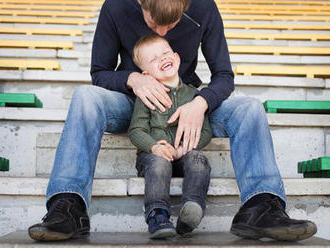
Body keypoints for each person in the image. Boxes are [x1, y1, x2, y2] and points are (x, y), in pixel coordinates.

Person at [28, 0, 317, 242]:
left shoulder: (204, 7)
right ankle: (68, 206)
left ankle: (261, 206)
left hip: (188, 101)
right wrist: (133, 80)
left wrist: (200, 103)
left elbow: (224, 77)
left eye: (174, 23)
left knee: (250, 108)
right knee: (84, 97)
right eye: (155, 25)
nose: (164, 32)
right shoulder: (116, 5)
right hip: (135, 103)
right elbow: (99, 72)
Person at [128, 34, 212, 238]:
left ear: (177, 57)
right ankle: (158, 214)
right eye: (154, 58)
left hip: (183, 153)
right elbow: (136, 130)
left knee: (199, 159)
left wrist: (185, 148)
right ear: (146, 73)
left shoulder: (194, 95)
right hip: (153, 155)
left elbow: (207, 131)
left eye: (165, 53)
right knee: (159, 164)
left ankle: (191, 209)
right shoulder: (145, 96)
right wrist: (154, 147)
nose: (162, 58)